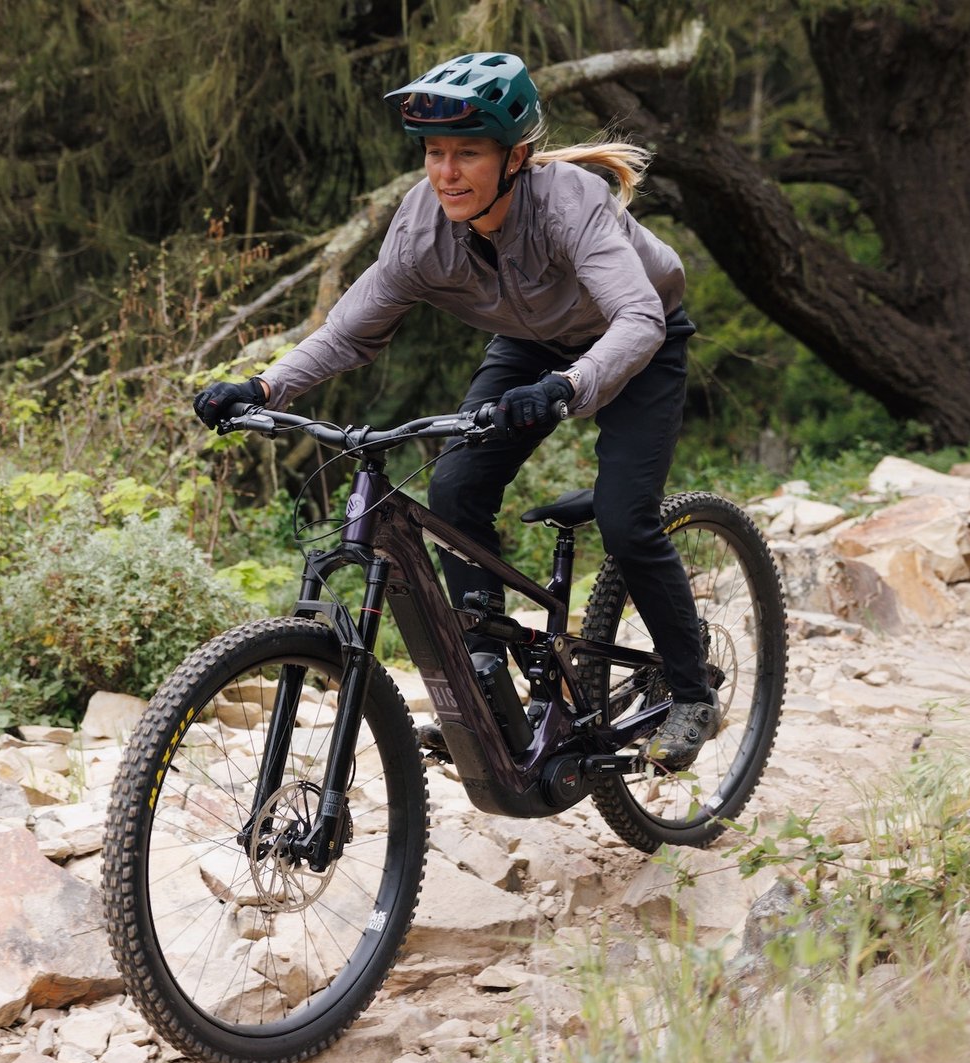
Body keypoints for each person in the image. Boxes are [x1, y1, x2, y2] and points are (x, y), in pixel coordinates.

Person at [194, 51, 719, 770]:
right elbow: (350, 330)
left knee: (627, 516)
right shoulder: (421, 228)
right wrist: (262, 388)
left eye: (467, 153)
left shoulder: (569, 201)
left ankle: (691, 691)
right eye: (434, 153)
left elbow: (636, 318)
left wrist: (567, 387)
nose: (445, 172)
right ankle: (488, 673)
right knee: (454, 489)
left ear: (516, 156)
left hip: (638, 339)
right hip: (531, 345)